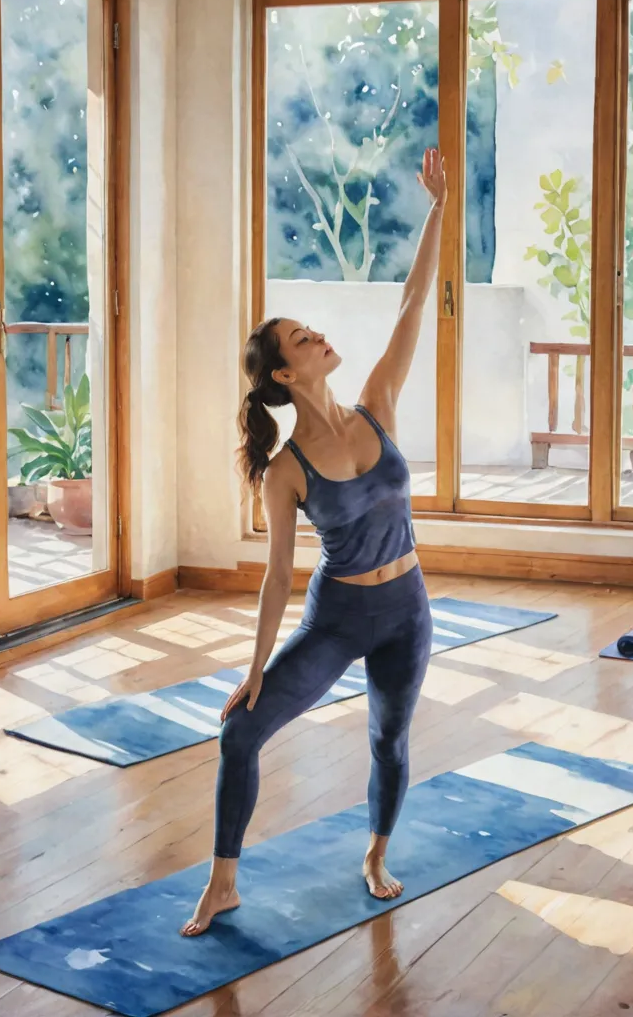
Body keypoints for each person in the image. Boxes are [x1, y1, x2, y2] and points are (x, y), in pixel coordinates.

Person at [181, 148, 447, 936]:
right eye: (302, 339)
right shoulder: (284, 469)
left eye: (309, 329)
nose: (317, 335)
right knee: (240, 732)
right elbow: (273, 581)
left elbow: (411, 306)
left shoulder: (375, 406)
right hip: (337, 620)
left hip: (407, 608)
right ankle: (223, 881)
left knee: (388, 741)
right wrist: (254, 668)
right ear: (286, 377)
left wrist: (437, 207)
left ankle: (374, 854)